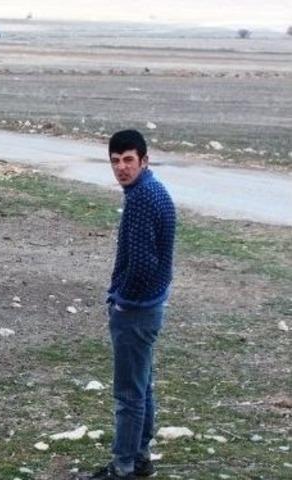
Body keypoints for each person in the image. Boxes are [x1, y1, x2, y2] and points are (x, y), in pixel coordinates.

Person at [89, 129, 176, 479]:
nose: (121, 168)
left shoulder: (141, 198)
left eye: (128, 160)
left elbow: (142, 264)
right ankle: (140, 457)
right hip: (151, 304)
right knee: (141, 387)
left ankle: (123, 465)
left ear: (144, 160)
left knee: (129, 394)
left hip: (137, 310)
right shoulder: (153, 190)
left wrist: (123, 301)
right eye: (115, 161)